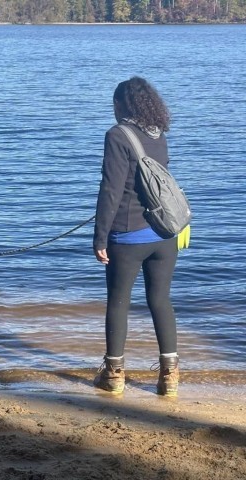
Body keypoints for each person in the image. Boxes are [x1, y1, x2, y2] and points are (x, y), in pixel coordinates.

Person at [93, 76, 179, 396]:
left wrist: (100, 237)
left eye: (113, 105)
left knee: (118, 302)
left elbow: (110, 190)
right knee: (160, 301)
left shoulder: (117, 135)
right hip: (164, 234)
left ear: (120, 105)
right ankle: (170, 378)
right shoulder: (158, 134)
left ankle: (114, 375)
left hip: (128, 236)